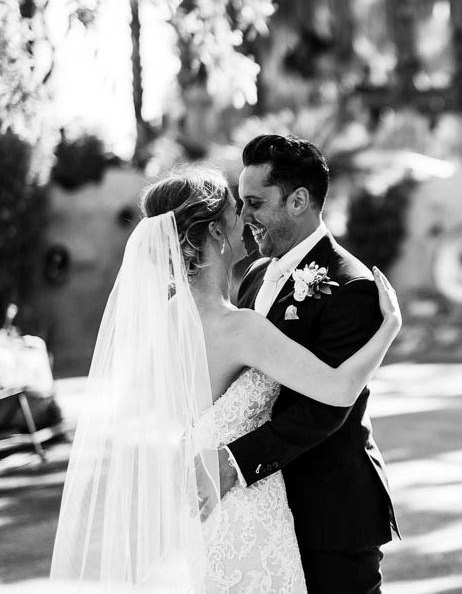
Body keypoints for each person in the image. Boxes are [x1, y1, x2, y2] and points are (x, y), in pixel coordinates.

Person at [50, 168, 401, 593]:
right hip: (248, 512)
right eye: (239, 208)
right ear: (216, 230)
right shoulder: (240, 328)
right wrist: (389, 331)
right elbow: (339, 388)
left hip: (203, 511)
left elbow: (165, 414)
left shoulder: (164, 324)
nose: (247, 218)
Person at [217, 134, 400, 593]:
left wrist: (235, 461)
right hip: (264, 509)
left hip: (332, 510)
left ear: (298, 200)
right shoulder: (256, 274)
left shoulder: (351, 285)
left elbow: (327, 407)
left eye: (255, 203)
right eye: (242, 204)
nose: (244, 218)